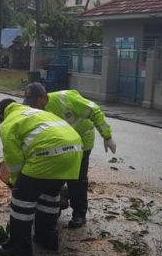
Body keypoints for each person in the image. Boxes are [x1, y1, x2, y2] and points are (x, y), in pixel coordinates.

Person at [0, 98, 83, 256]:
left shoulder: (9, 123)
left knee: (21, 200)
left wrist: (16, 182)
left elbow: (13, 160)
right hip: (74, 152)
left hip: (48, 154)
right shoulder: (36, 113)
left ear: (2, 115)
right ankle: (47, 239)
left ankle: (20, 248)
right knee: (50, 195)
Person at [23, 83, 116, 228]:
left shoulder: (66, 99)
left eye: (35, 102)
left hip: (82, 141)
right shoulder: (35, 110)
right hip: (60, 144)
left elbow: (95, 110)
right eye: (30, 103)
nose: (33, 106)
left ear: (44, 97)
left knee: (77, 179)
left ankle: (79, 213)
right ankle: (59, 203)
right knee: (54, 176)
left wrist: (107, 136)